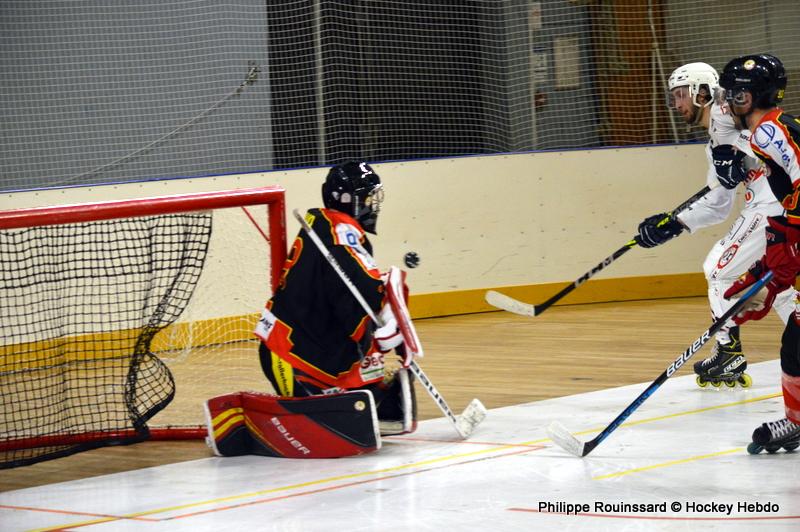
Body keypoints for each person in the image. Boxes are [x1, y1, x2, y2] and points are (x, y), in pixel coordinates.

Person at [205, 161, 418, 459]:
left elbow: (359, 290)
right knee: (335, 405)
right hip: (291, 355)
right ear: (347, 199)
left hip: (318, 348)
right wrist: (382, 320)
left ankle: (372, 403)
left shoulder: (332, 227)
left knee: (371, 373)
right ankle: (250, 421)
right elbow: (355, 296)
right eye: (367, 197)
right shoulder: (338, 231)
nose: (372, 205)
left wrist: (387, 312)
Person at [635, 61, 795, 388]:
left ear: (703, 92)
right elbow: (719, 201)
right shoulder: (715, 138)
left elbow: (764, 141)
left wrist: (741, 157)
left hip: (773, 206)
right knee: (775, 283)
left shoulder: (725, 111)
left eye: (681, 95)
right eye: (674, 97)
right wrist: (674, 223)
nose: (677, 104)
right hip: (767, 206)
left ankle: (727, 350)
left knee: (718, 269)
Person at [718, 53, 800, 453]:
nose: (728, 102)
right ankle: (796, 421)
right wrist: (772, 263)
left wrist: (789, 233)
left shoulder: (768, 132)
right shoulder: (767, 132)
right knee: (797, 338)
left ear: (747, 97)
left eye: (733, 94)